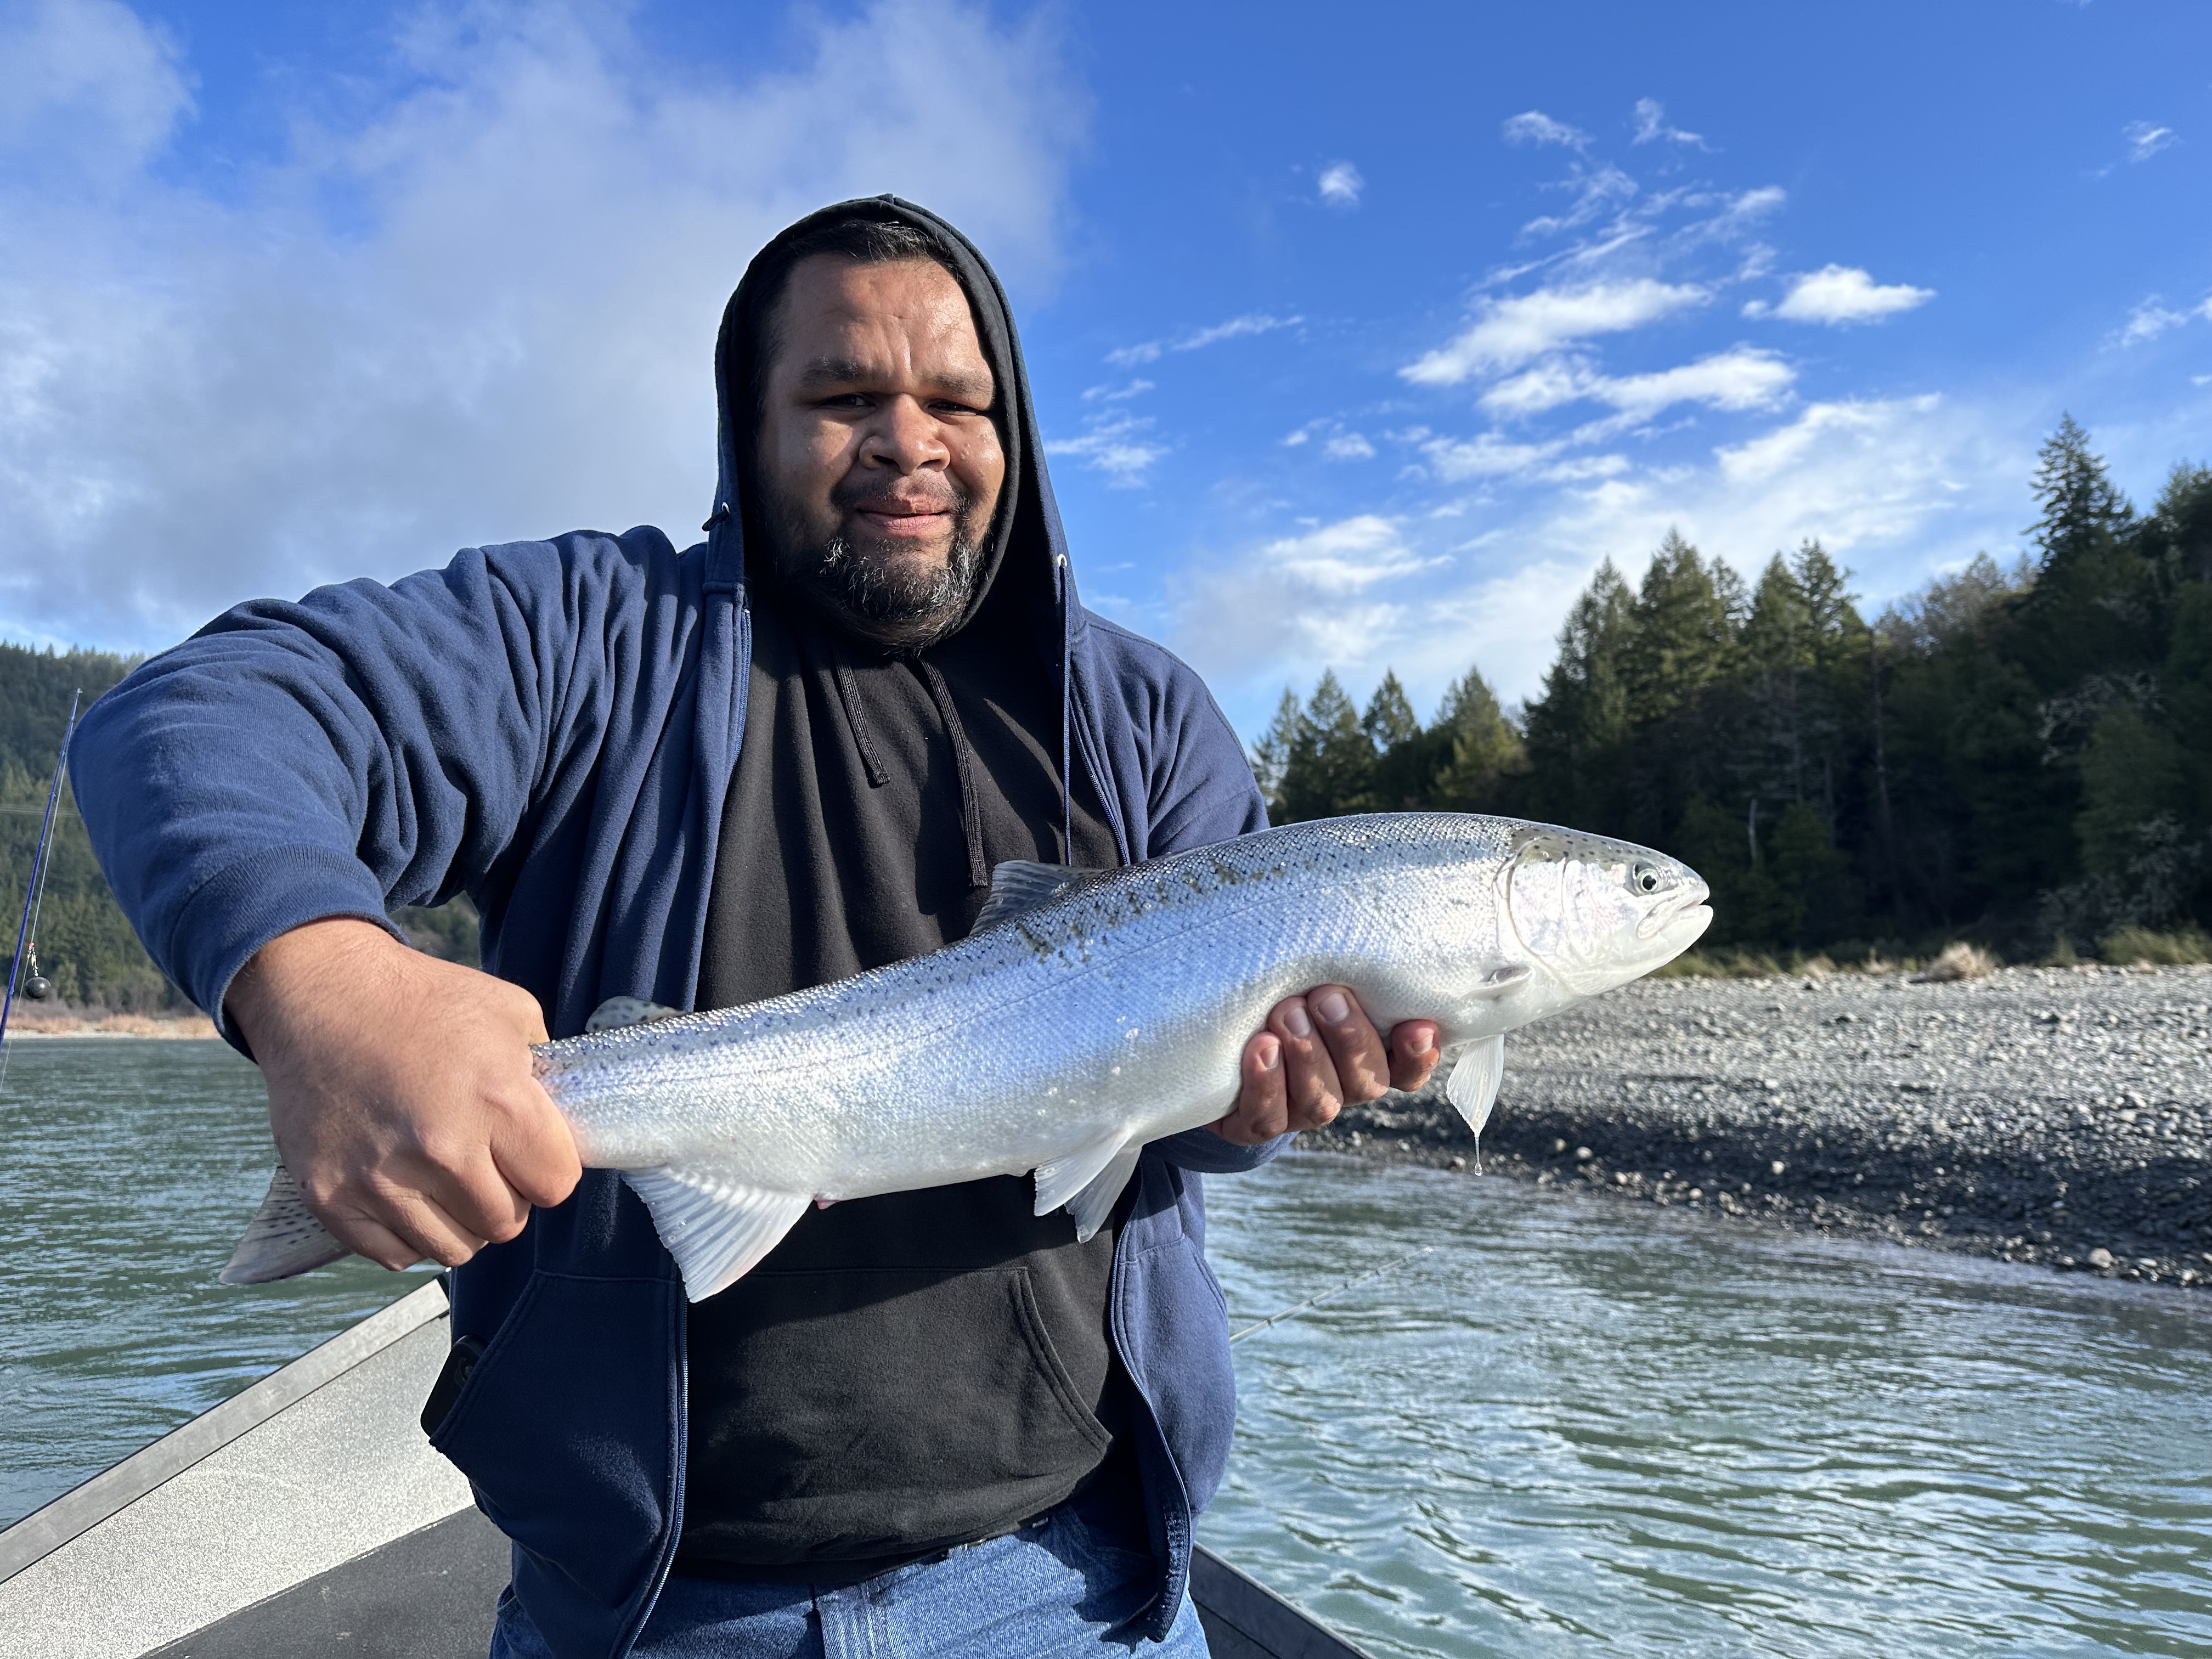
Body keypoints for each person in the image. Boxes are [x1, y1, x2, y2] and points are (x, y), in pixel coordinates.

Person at [72, 198, 1442, 1658]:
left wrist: (1267, 1103)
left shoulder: (1144, 718)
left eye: (958, 403)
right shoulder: (588, 636)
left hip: (1076, 1582)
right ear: (751, 422)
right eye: (846, 397)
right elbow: (195, 713)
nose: (909, 440)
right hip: (653, 1604)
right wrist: (325, 980)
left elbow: (1201, 1128)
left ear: (1014, 435)